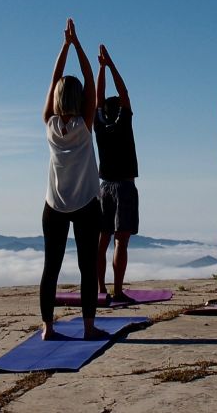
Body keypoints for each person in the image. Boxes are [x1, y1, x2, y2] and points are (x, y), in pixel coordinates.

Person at [39, 18, 106, 341]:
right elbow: (90, 78)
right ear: (80, 99)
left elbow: (54, 79)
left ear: (55, 98)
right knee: (87, 268)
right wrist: (78, 45)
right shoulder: (85, 124)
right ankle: (89, 327)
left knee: (50, 267)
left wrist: (63, 47)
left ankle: (47, 328)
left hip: (54, 205)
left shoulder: (49, 124)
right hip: (85, 205)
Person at [94, 44, 139, 303]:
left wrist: (100, 69)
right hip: (124, 186)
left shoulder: (99, 125)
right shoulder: (124, 123)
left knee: (103, 240)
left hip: (103, 187)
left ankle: (101, 289)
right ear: (121, 110)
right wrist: (110, 65)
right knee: (121, 241)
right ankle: (118, 290)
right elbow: (124, 93)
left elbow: (99, 98)